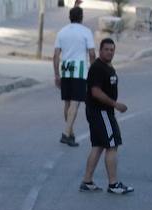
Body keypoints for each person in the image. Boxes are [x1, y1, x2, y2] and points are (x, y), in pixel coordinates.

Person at [79, 38, 132, 194]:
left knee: (99, 145)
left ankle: (87, 181)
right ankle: (113, 184)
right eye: (106, 49)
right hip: (102, 112)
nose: (109, 52)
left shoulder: (107, 66)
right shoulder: (97, 68)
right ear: (100, 50)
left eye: (112, 50)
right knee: (112, 145)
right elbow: (95, 92)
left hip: (101, 112)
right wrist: (115, 104)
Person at [52, 6, 96, 147]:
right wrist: (93, 71)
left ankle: (70, 134)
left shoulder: (61, 32)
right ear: (81, 17)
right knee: (75, 103)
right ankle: (66, 133)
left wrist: (56, 74)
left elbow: (56, 56)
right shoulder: (86, 32)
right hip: (79, 70)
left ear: (69, 17)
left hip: (66, 69)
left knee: (67, 103)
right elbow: (92, 54)